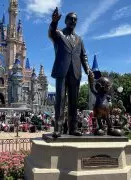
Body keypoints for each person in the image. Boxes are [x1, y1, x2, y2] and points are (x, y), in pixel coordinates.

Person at [48, 7, 92, 137]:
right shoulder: (59, 34)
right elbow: (51, 33)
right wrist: (54, 22)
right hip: (62, 72)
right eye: (70, 19)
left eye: (75, 20)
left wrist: (88, 69)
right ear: (66, 21)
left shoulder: (79, 39)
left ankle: (73, 128)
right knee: (60, 100)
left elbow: (83, 56)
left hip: (75, 73)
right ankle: (58, 128)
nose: (73, 21)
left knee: (74, 102)